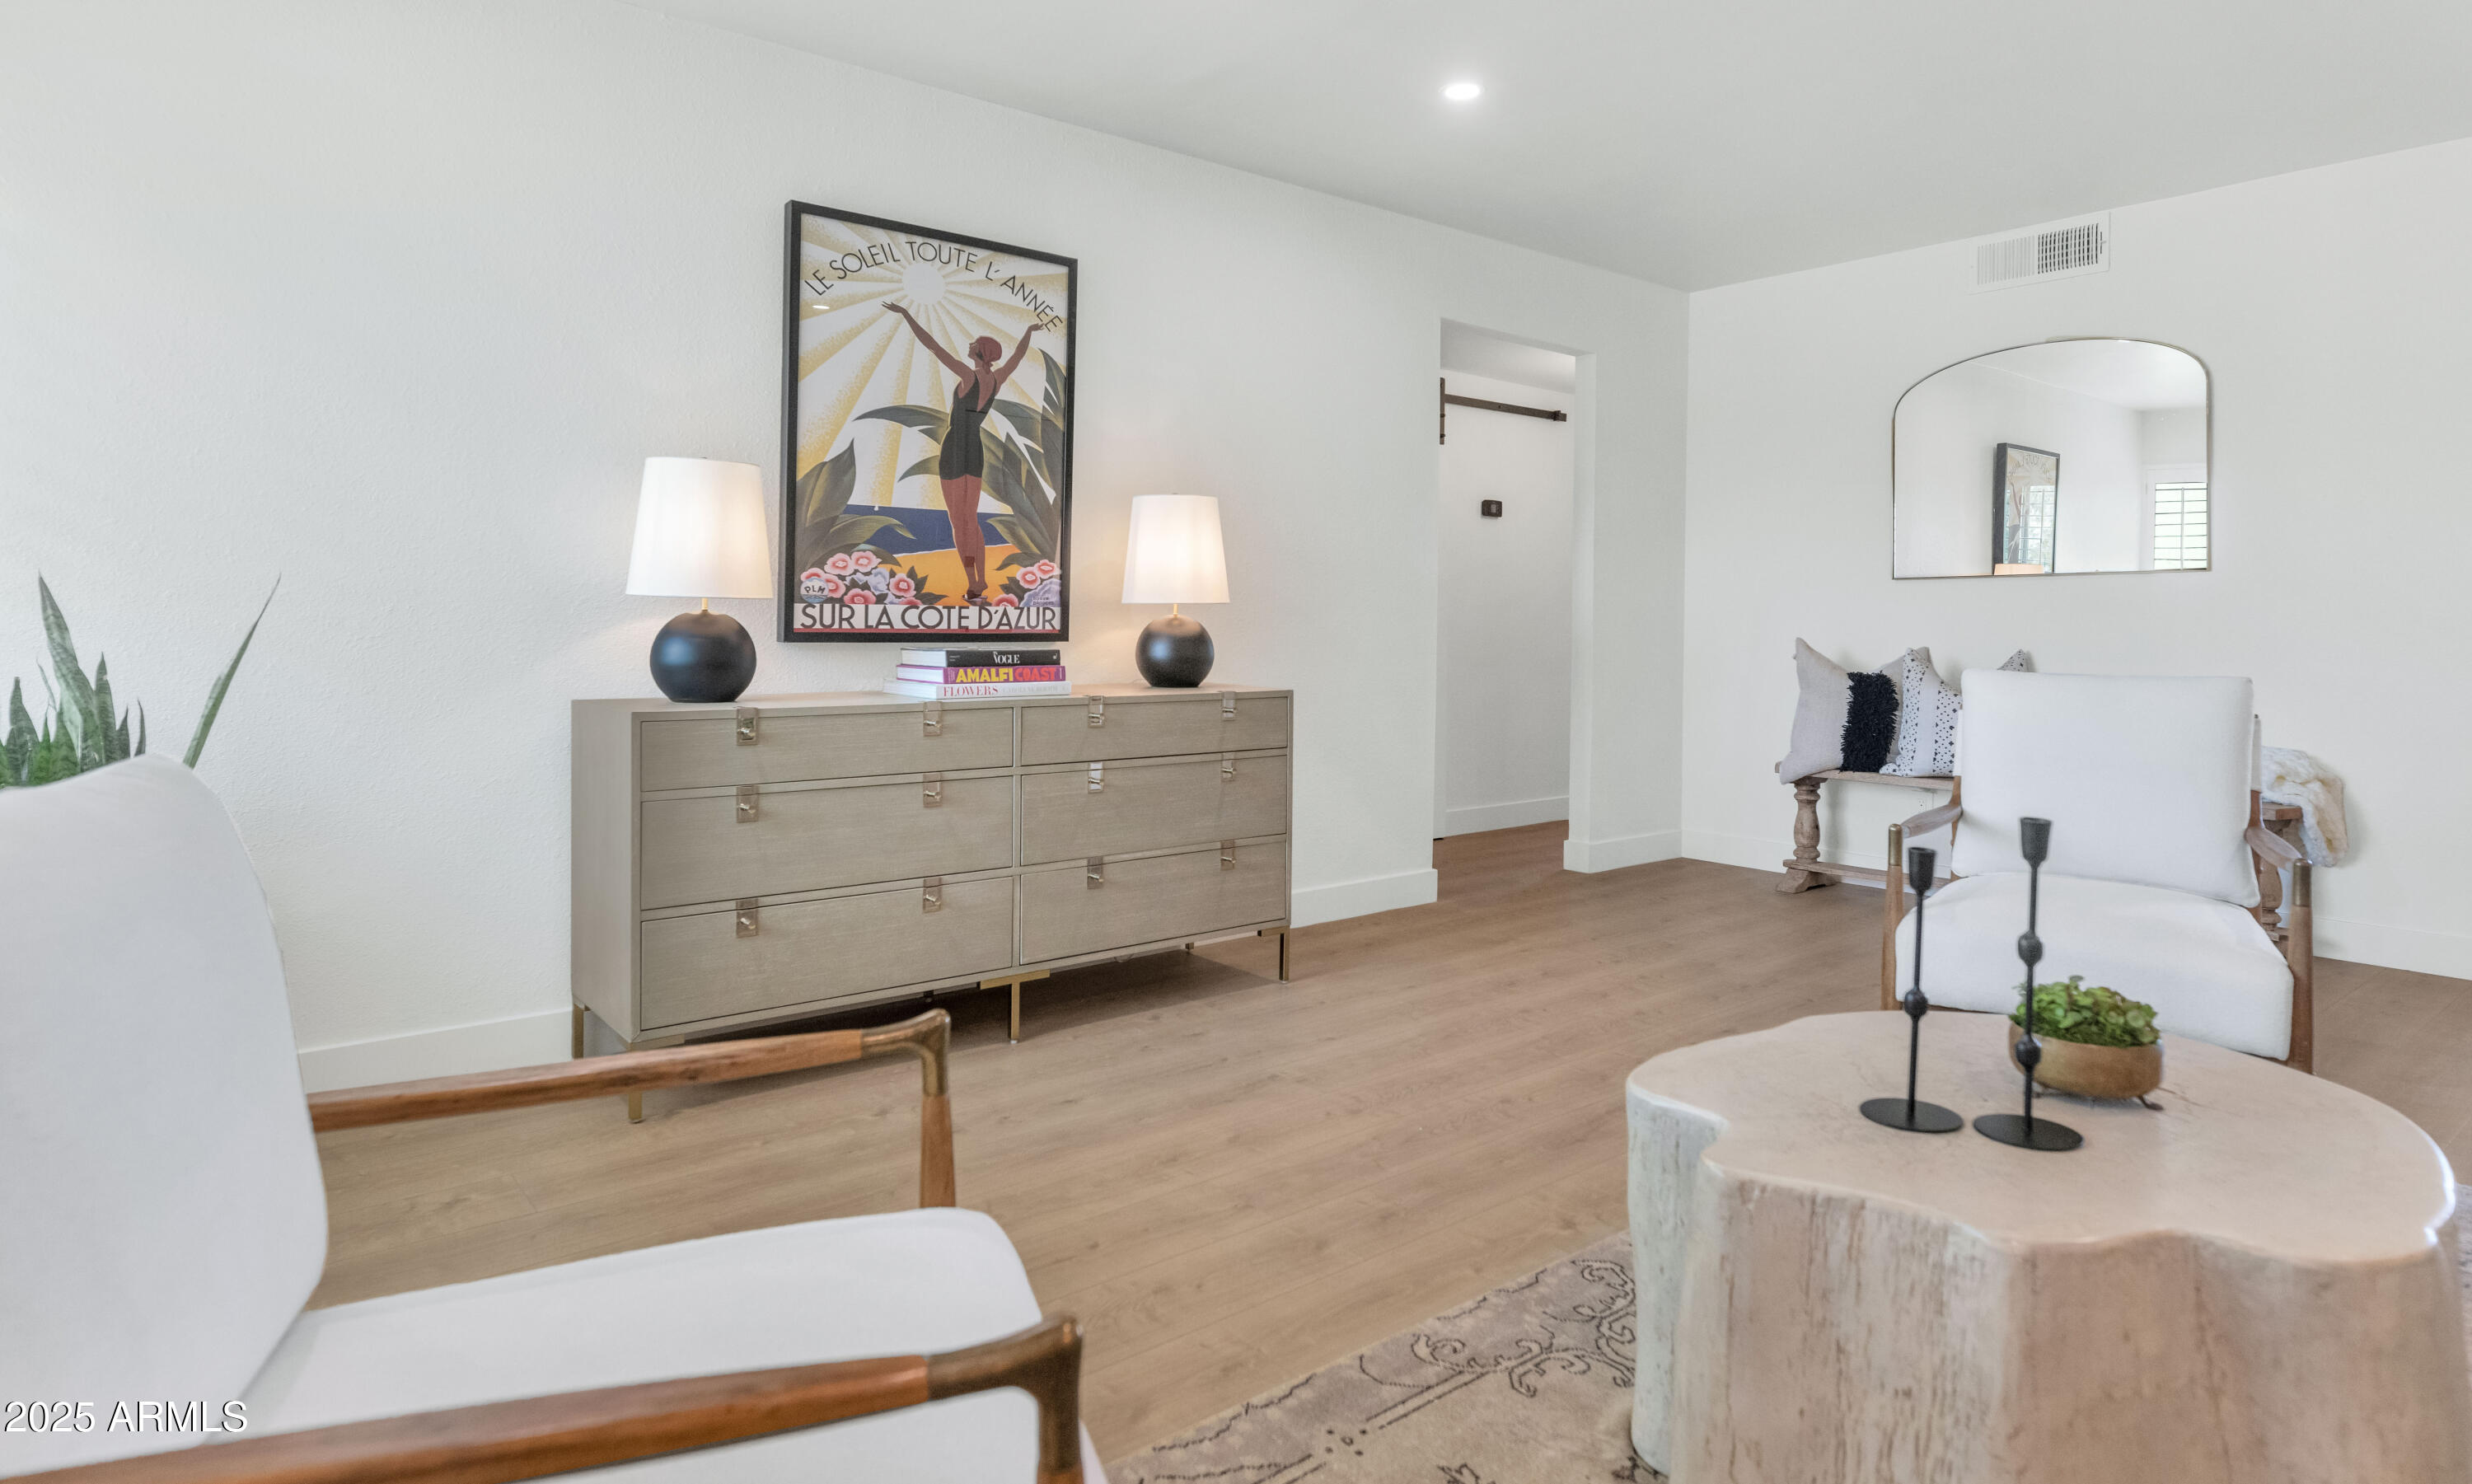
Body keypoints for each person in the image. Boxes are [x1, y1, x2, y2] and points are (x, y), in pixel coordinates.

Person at [883, 304, 1037, 601]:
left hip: (955, 448)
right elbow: (1017, 357)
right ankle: (980, 580)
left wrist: (907, 315)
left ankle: (971, 581)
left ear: (979, 352)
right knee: (972, 518)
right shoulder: (996, 379)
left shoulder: (969, 376)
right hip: (975, 449)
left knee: (958, 520)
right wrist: (1028, 333)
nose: (969, 345)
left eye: (973, 344)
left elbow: (934, 347)